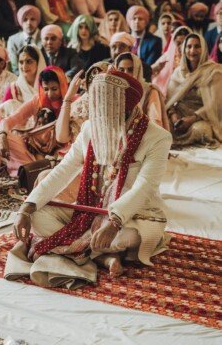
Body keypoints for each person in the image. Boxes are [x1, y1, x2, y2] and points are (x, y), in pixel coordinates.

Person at [10, 70, 172, 287]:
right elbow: (64, 170)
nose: (98, 113)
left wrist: (114, 222)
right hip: (89, 210)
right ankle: (102, 256)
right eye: (97, 105)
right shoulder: (90, 129)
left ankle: (90, 252)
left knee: (123, 239)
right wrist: (27, 208)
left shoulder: (157, 137)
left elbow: (144, 187)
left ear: (126, 107)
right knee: (38, 217)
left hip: (134, 215)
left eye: (106, 106)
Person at [0, 66, 70, 177]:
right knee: (7, 136)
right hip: (36, 149)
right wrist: (2, 136)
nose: (49, 94)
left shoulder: (73, 101)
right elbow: (10, 120)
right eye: (45, 89)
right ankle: (33, 168)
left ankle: (35, 169)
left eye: (54, 89)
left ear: (63, 85)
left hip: (63, 151)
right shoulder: (38, 101)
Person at [166, 33, 222, 147]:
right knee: (162, 126)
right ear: (184, 48)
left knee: (201, 131)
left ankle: (179, 143)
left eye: (197, 46)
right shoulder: (178, 72)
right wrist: (174, 117)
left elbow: (215, 104)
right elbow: (170, 101)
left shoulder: (214, 72)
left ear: (204, 49)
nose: (192, 50)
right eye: (189, 46)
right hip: (179, 116)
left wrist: (193, 118)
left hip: (203, 117)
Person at [115, 52, 169, 130]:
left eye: (130, 70)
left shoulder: (149, 91)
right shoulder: (113, 90)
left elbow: (155, 120)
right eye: (121, 70)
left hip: (143, 134)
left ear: (138, 70)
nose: (126, 74)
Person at [0, 45, 46, 119]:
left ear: (38, 62)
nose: (24, 66)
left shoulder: (47, 86)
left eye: (29, 61)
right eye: (21, 62)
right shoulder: (13, 89)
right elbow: (2, 116)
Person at [152, 26, 192, 97]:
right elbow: (152, 69)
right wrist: (157, 68)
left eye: (184, 43)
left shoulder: (193, 57)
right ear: (173, 42)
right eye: (178, 43)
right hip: (168, 90)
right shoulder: (167, 56)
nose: (181, 46)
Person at [7, 5, 42, 75]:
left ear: (38, 21)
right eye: (25, 20)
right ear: (20, 22)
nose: (29, 23)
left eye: (32, 19)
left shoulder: (45, 37)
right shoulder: (13, 40)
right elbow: (15, 67)